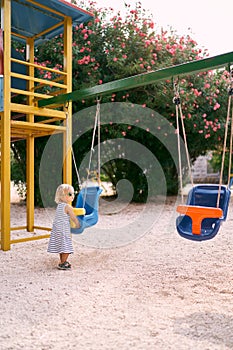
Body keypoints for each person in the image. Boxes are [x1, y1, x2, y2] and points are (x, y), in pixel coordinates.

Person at [47, 184, 80, 270]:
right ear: (62, 196)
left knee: (62, 246)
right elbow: (73, 217)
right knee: (66, 247)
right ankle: (63, 263)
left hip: (57, 229)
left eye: (73, 194)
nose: (72, 196)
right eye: (70, 194)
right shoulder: (67, 207)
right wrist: (77, 224)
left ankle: (62, 261)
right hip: (63, 230)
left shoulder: (59, 206)